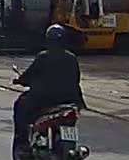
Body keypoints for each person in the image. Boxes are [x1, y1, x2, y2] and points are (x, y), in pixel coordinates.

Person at [13, 24, 87, 152]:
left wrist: (20, 80)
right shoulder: (72, 58)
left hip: (43, 99)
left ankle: (22, 141)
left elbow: (29, 75)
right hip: (69, 100)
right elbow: (76, 80)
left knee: (20, 106)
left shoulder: (43, 57)